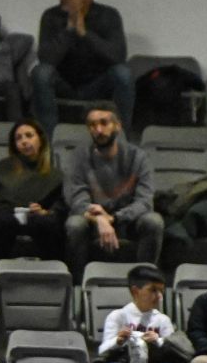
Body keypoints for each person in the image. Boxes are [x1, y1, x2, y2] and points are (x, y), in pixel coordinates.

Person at [62, 102, 160, 274]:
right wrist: (99, 219)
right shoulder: (79, 157)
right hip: (92, 222)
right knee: (74, 224)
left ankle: (144, 280)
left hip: (127, 221)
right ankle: (78, 286)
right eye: (92, 125)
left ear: (118, 125)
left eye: (104, 123)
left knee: (154, 221)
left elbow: (144, 202)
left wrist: (114, 218)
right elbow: (76, 199)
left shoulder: (138, 157)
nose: (98, 130)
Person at [33, 0, 130, 134]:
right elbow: (46, 59)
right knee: (41, 73)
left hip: (97, 84)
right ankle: (48, 138)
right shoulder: (51, 16)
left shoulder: (108, 15)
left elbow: (118, 56)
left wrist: (85, 33)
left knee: (123, 73)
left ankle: (121, 136)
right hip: (63, 83)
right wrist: (70, 28)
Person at [98, 263, 184, 363]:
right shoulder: (118, 316)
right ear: (135, 291)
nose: (159, 296)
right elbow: (102, 350)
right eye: (153, 290)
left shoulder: (162, 320)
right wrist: (118, 341)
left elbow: (173, 349)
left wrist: (158, 340)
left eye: (161, 291)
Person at [0, 119, 66, 268]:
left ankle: (50, 273)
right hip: (6, 215)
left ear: (40, 140)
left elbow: (58, 206)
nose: (24, 141)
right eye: (18, 138)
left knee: (48, 224)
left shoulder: (55, 175)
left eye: (29, 135)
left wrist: (44, 212)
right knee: (2, 221)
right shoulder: (4, 167)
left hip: (37, 218)